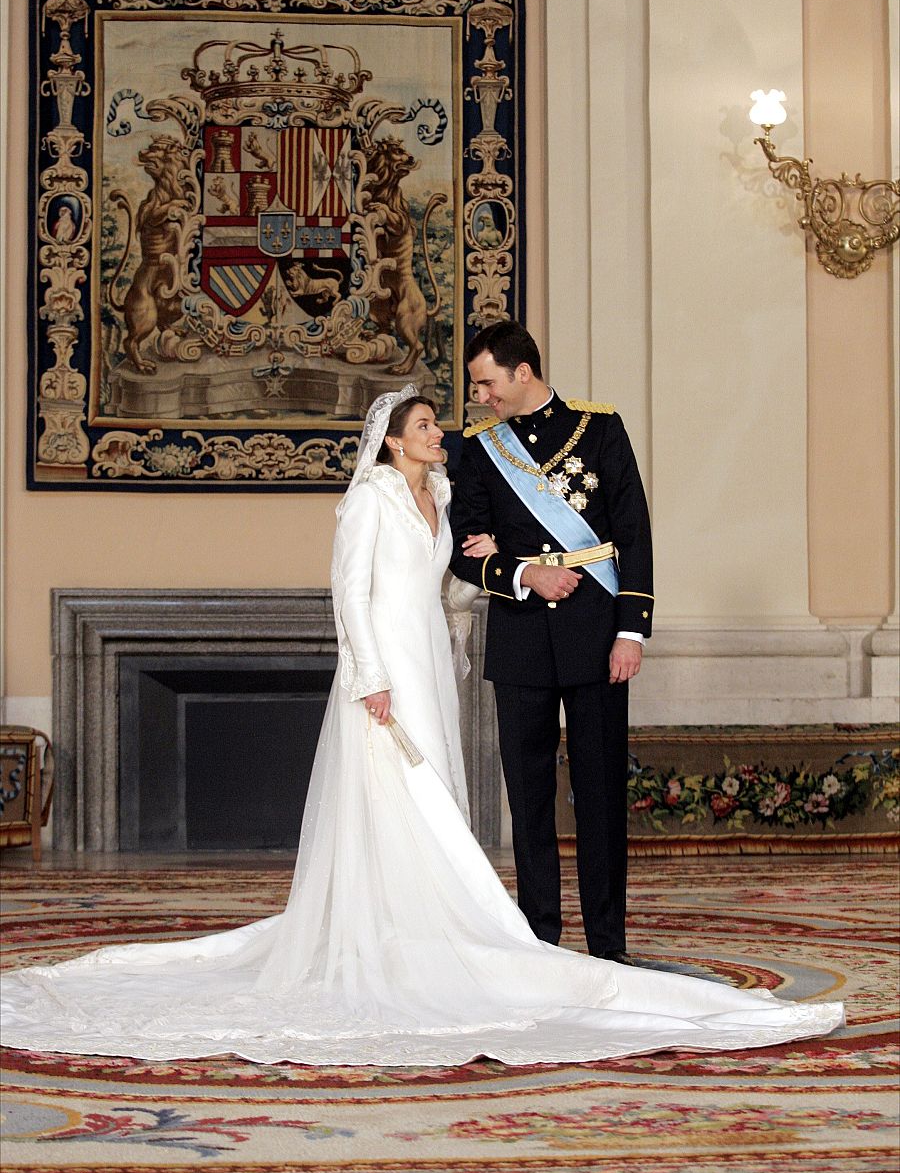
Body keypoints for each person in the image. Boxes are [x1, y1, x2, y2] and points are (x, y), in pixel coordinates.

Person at [0, 388, 843, 1066]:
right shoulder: (367, 500)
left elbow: (473, 569)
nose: (445, 429)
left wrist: (509, 566)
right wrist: (368, 679)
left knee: (435, 785)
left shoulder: (439, 493)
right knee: (400, 798)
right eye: (428, 423)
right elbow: (349, 595)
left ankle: (429, 928)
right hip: (384, 669)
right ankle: (409, 932)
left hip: (432, 661)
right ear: (394, 441)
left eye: (442, 418)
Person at [450, 321, 652, 963]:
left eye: (486, 383)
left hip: (599, 635)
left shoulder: (601, 429)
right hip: (521, 641)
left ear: (522, 372)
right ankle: (541, 940)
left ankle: (607, 944)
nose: (480, 397)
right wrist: (523, 572)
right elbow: (463, 549)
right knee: (528, 797)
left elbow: (634, 532)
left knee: (599, 796)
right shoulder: (478, 450)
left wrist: (630, 630)